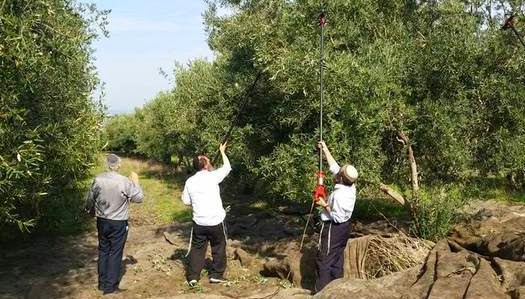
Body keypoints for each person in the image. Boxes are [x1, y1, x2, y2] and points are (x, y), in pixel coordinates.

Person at [85, 154, 144, 295]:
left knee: (103, 250)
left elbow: (89, 200)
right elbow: (139, 198)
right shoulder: (124, 181)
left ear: (106, 164)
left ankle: (102, 283)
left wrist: (91, 211)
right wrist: (136, 183)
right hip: (118, 222)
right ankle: (110, 287)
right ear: (118, 165)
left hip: (102, 220)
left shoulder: (98, 180)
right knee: (115, 252)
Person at [181, 142, 232, 287]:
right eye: (207, 161)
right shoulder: (213, 177)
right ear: (205, 165)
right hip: (216, 221)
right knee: (219, 246)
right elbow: (227, 167)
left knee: (197, 249)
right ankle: (216, 274)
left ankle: (193, 277)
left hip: (199, 223)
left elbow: (185, 201)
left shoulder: (190, 182)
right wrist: (222, 152)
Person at [314, 141, 358, 292]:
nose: (337, 172)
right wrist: (325, 149)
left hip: (335, 227)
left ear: (340, 178)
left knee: (324, 259)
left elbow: (337, 217)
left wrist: (323, 203)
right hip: (345, 228)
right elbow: (335, 167)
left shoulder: (340, 195)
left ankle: (322, 292)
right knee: (337, 258)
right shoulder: (350, 185)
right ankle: (337, 290)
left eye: (339, 173)